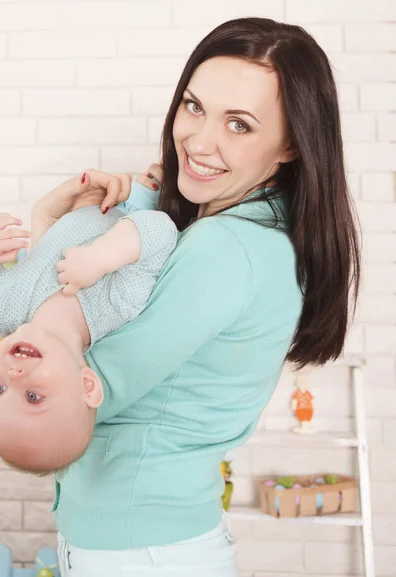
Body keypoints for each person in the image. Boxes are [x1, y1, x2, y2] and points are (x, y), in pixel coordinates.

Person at [30, 17, 361, 577]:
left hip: (142, 553)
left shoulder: (225, 246)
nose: (200, 141)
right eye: (194, 106)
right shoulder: (252, 238)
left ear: (291, 146)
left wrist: (48, 235)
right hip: (152, 544)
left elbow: (73, 390)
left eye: (239, 124)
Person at [0, 182, 177, 473]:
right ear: (86, 385)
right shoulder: (115, 307)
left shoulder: (3, 312)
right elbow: (160, 230)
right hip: (142, 196)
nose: (12, 376)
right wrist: (100, 257)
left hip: (93, 193)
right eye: (32, 396)